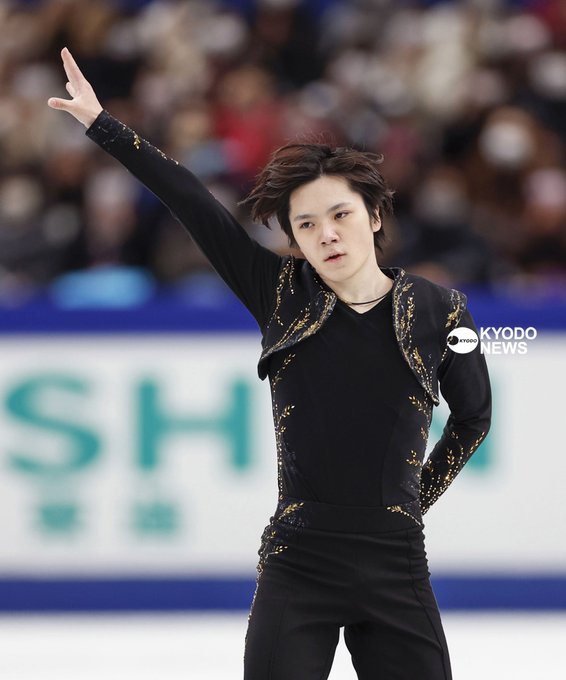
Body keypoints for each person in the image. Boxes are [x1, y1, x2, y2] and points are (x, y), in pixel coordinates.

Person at [48, 47, 491, 680]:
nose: (326, 234)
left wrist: (413, 500)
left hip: (396, 565)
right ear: (295, 239)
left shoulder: (442, 310)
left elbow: (473, 417)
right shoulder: (280, 292)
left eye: (340, 215)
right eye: (306, 225)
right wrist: (103, 124)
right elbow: (192, 201)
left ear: (373, 215)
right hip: (298, 562)